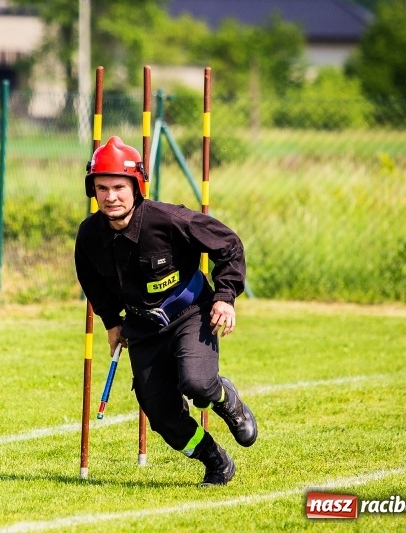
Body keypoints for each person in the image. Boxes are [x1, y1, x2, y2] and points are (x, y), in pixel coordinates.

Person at [74, 136, 257, 487]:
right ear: (92, 191)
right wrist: (112, 323)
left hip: (191, 313)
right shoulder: (89, 236)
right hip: (142, 329)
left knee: (197, 384)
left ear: (137, 186)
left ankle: (225, 398)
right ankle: (215, 461)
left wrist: (225, 296)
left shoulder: (170, 220)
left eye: (118, 187)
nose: (110, 196)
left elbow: (228, 245)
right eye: (101, 188)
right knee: (162, 417)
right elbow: (92, 281)